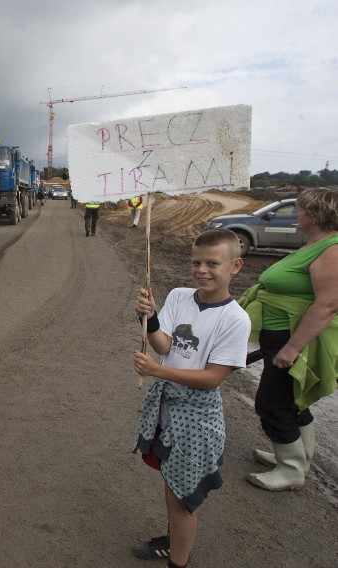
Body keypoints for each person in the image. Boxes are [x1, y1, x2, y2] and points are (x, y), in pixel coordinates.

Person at [132, 228, 250, 568]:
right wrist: (150, 317)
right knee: (172, 485)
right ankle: (173, 541)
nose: (202, 270)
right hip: (166, 407)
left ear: (235, 266)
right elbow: (164, 345)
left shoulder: (235, 319)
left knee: (183, 502)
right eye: (196, 261)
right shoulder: (181, 296)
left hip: (196, 420)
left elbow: (212, 379)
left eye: (213, 263)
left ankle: (177, 561)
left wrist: (158, 371)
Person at [238, 188, 338, 491]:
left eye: (301, 209)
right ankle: (299, 457)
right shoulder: (318, 244)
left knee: (271, 403)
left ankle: (291, 469)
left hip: (293, 338)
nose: (298, 214)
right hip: (282, 335)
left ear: (317, 214)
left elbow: (328, 305)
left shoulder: (332, 249)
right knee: (292, 398)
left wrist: (292, 348)